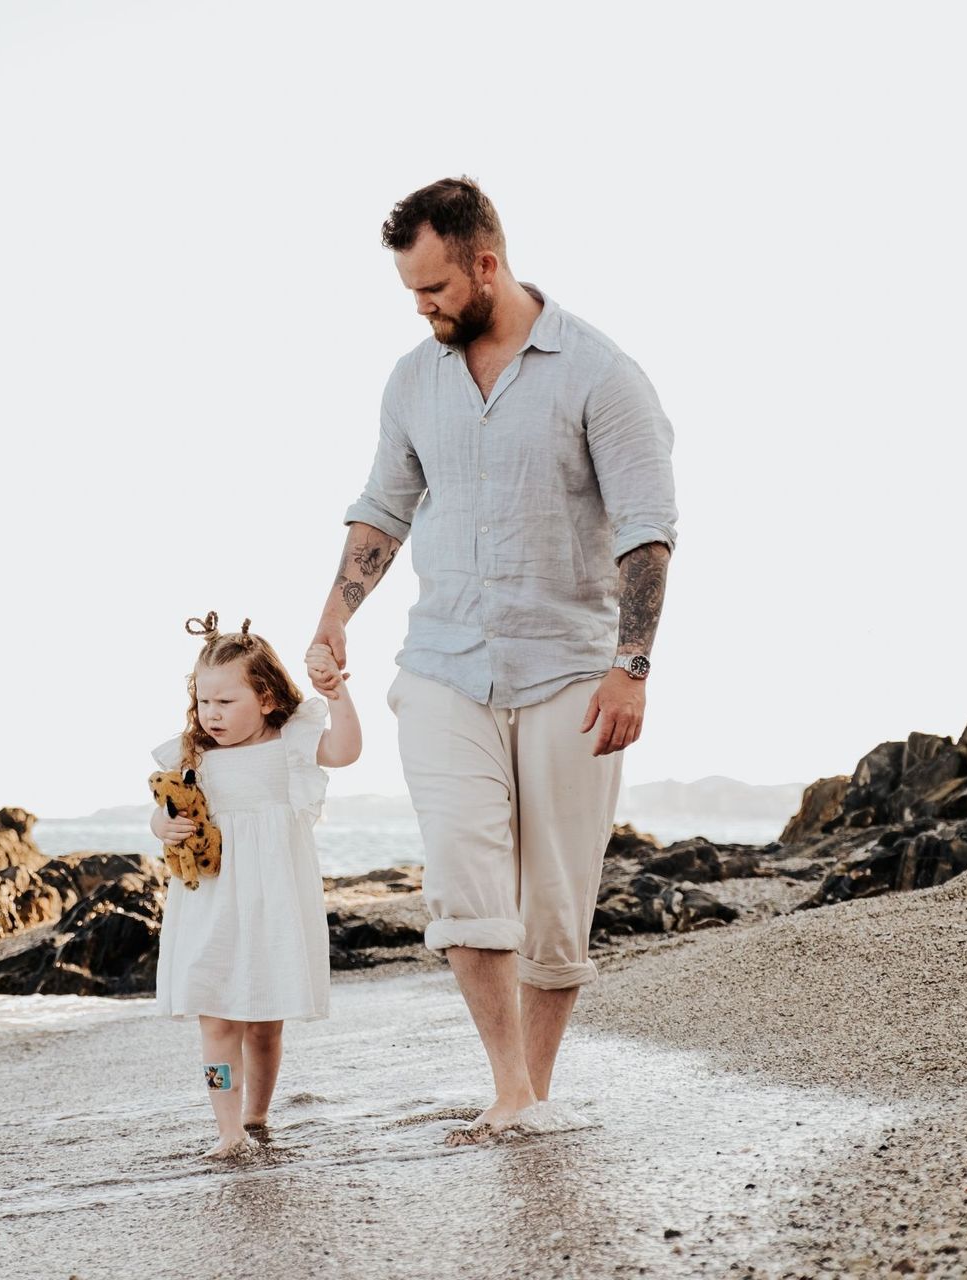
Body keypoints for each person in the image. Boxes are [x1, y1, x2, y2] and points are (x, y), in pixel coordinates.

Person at [308, 176, 677, 1144]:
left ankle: (532, 1094)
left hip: (570, 670)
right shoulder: (413, 378)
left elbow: (647, 533)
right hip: (443, 665)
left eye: (433, 287)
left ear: (485, 262)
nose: (422, 306)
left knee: (555, 908)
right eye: (409, 291)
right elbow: (385, 506)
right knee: (465, 881)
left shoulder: (602, 373)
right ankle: (508, 1086)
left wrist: (630, 664)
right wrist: (337, 613)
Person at [150, 612, 361, 1157]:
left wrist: (337, 696)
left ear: (266, 698)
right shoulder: (192, 756)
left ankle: (257, 1113)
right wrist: (162, 825)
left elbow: (346, 751)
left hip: (273, 903)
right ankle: (228, 1128)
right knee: (216, 1019)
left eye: (227, 702)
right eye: (204, 701)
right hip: (211, 905)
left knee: (266, 1021)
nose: (211, 714)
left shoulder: (292, 742)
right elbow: (164, 812)